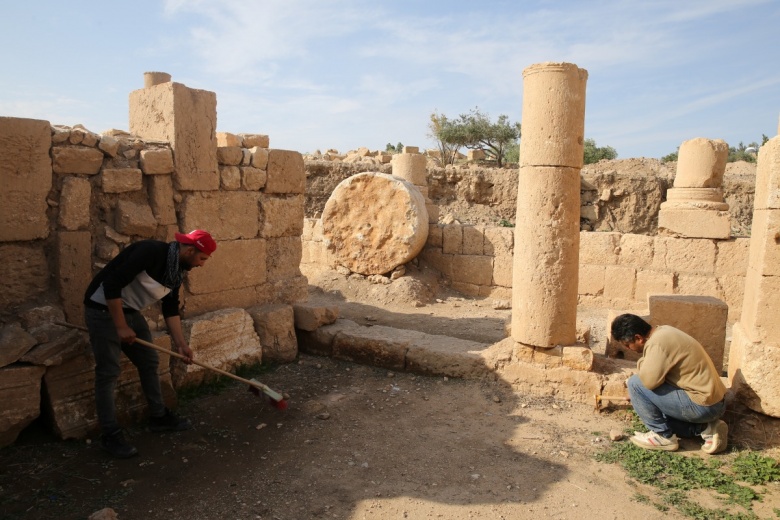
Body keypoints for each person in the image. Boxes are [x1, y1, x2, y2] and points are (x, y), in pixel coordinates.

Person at [83, 230, 217, 458]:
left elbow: (170, 308)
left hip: (130, 311)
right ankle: (110, 435)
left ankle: (158, 417)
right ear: (190, 250)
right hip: (103, 310)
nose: (202, 265)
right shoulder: (150, 252)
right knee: (108, 372)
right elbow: (111, 284)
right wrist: (120, 326)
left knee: (149, 361)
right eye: (202, 259)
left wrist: (181, 345)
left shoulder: (175, 272)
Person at [610, 313, 728, 454]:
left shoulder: (657, 343)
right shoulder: (664, 331)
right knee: (657, 414)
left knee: (635, 383)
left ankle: (663, 437)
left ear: (638, 338)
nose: (629, 349)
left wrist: (642, 363)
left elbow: (648, 382)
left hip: (702, 404)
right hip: (715, 402)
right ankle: (706, 429)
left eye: (628, 345)